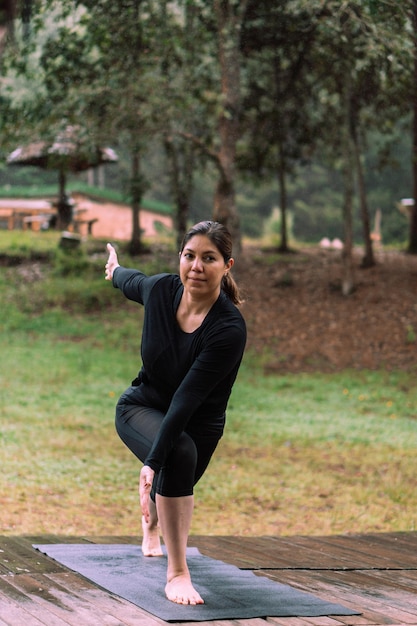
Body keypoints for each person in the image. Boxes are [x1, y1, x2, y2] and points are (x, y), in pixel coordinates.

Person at [104, 220, 246, 606]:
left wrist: (152, 462)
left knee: (175, 465)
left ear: (227, 266)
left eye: (209, 258)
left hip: (198, 423)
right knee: (175, 454)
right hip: (141, 408)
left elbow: (187, 399)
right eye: (189, 255)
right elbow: (130, 281)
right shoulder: (161, 289)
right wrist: (114, 270)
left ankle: (149, 517)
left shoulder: (228, 329)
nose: (196, 266)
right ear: (180, 258)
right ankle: (178, 573)